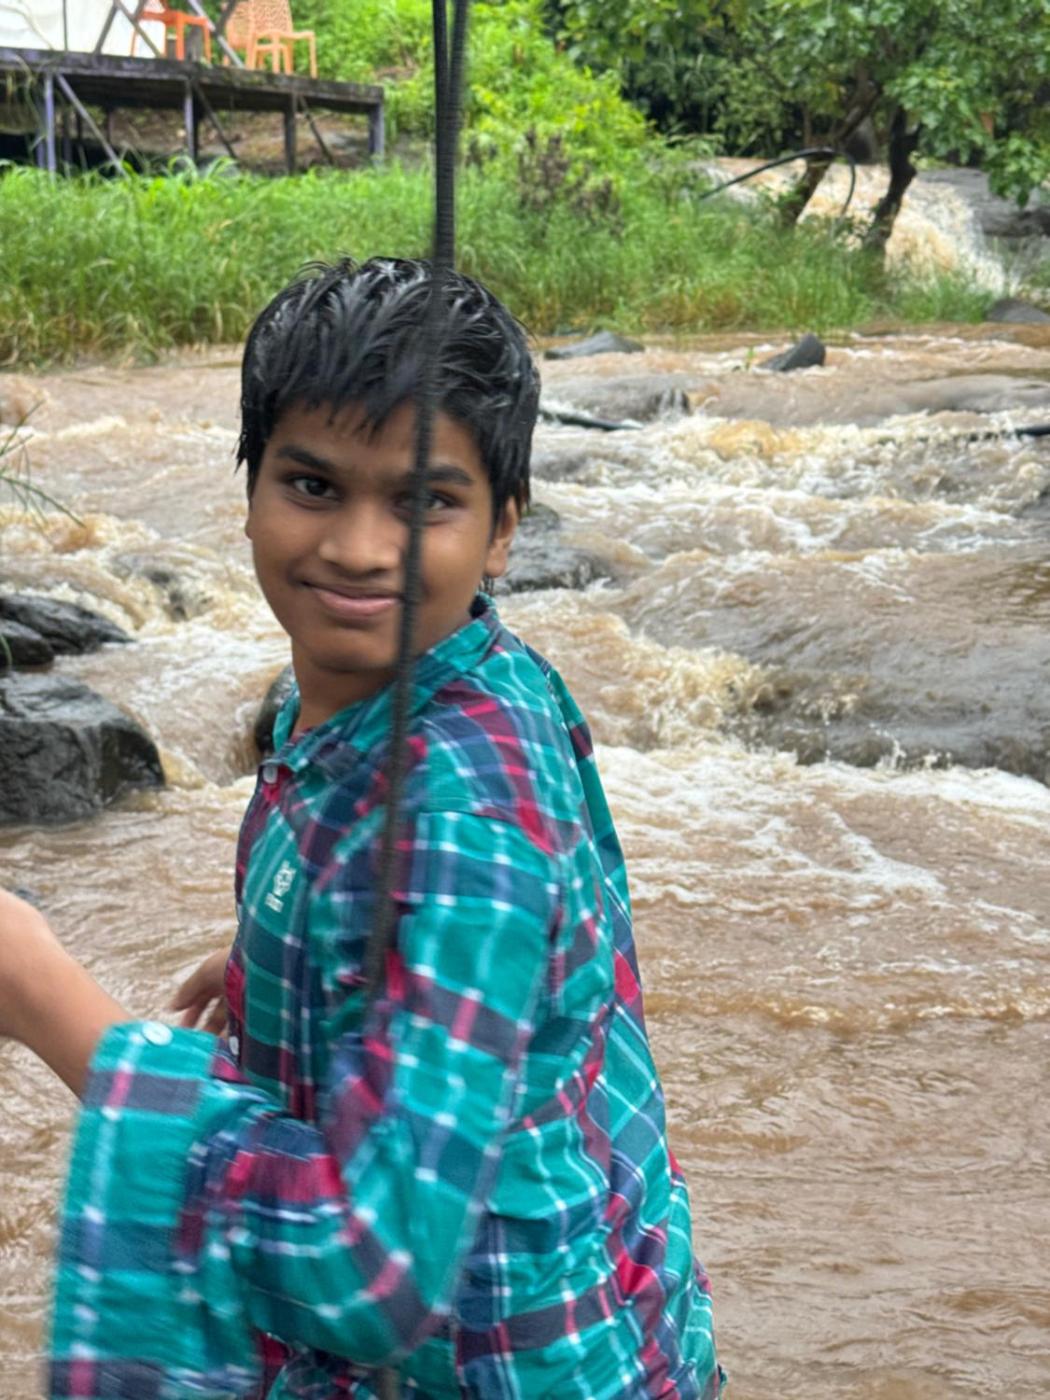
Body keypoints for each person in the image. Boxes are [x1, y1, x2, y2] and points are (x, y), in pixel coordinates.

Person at [0, 258, 724, 1399]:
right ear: (247, 489)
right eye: (313, 484)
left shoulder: (466, 812)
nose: (359, 548)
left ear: (502, 532)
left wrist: (42, 997)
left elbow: (371, 1270)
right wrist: (291, 962)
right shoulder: (426, 681)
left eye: (424, 501)